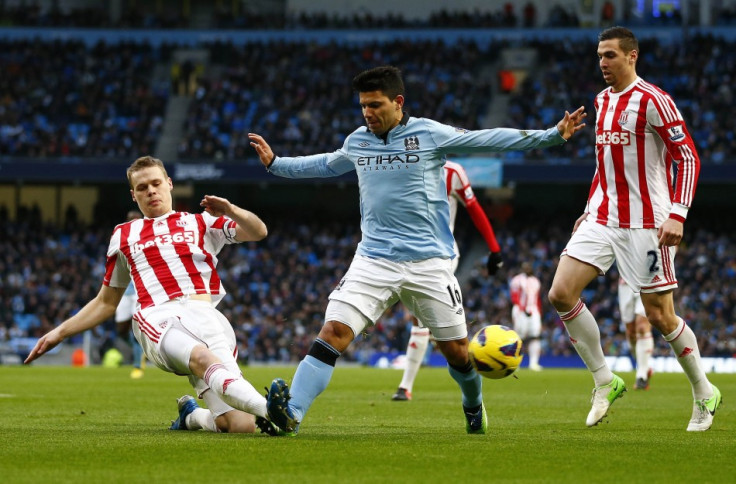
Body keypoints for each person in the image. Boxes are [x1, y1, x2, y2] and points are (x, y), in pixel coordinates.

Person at [248, 65, 586, 435]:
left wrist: (551, 136)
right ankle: (290, 414)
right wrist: (276, 164)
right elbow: (326, 164)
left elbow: (487, 138)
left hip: (430, 264)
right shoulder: (358, 141)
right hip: (373, 261)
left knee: (457, 352)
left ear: (398, 102)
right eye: (362, 106)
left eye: (375, 105)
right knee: (333, 332)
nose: (367, 113)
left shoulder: (429, 134)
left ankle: (473, 406)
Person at [24, 156, 280, 436]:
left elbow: (259, 231)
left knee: (241, 426)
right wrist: (58, 334)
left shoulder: (201, 223)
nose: (151, 191)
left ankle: (192, 416)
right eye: (143, 187)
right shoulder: (124, 235)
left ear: (169, 184)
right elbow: (106, 302)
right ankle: (274, 411)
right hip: (158, 317)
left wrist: (231, 209)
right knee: (203, 358)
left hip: (205, 317)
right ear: (134, 195)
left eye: (156, 183)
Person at [547, 27, 721, 431]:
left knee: (659, 316)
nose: (603, 63)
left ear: (632, 56)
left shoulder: (654, 100)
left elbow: (689, 158)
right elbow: (603, 166)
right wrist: (589, 208)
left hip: (647, 223)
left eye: (610, 55)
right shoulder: (601, 101)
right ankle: (605, 380)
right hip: (603, 217)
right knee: (560, 293)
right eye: (599, 56)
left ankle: (703, 390)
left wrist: (678, 212)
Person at [391, 160, 503, 401]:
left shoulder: (452, 172)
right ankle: (410, 383)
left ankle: (405, 386)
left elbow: (474, 208)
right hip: (408, 255)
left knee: (420, 320)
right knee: (423, 322)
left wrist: (494, 249)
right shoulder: (401, 167)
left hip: (442, 255)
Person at [114, 210, 147, 379]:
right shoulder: (121, 239)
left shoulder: (146, 240)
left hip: (138, 293)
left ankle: (137, 365)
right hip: (124, 293)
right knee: (121, 330)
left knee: (135, 331)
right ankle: (143, 349)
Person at [617, 277, 654, 390]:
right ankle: (644, 366)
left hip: (647, 279)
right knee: (631, 333)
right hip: (626, 281)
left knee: (642, 327)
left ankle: (641, 376)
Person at [509, 261, 543, 371]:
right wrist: (522, 309)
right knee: (519, 337)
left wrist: (538, 312)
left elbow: (537, 298)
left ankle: (533, 363)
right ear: (522, 268)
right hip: (520, 310)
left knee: (535, 336)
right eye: (525, 267)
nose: (527, 268)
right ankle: (516, 363)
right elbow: (514, 297)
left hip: (533, 310)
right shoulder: (517, 280)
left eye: (529, 266)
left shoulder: (536, 281)